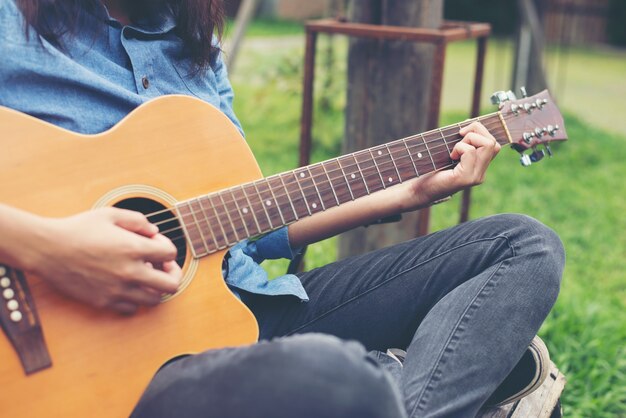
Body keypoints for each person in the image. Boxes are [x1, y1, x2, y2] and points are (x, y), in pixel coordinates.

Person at [0, 0, 565, 416]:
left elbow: (242, 224)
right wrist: (53, 248)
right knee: (338, 378)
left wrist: (409, 194)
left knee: (523, 246)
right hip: (121, 360)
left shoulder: (193, 44)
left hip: (249, 311)